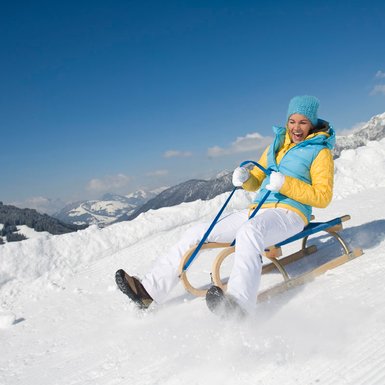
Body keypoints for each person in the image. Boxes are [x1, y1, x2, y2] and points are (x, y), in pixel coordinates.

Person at [115, 95, 335, 317]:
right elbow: (257, 178)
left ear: (312, 124)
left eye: (303, 122)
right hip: (259, 210)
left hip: (291, 214)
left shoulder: (320, 151)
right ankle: (148, 291)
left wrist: (285, 184)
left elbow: (322, 196)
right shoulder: (276, 146)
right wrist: (246, 179)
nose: (296, 128)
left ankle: (240, 304)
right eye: (292, 121)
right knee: (198, 232)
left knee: (250, 232)